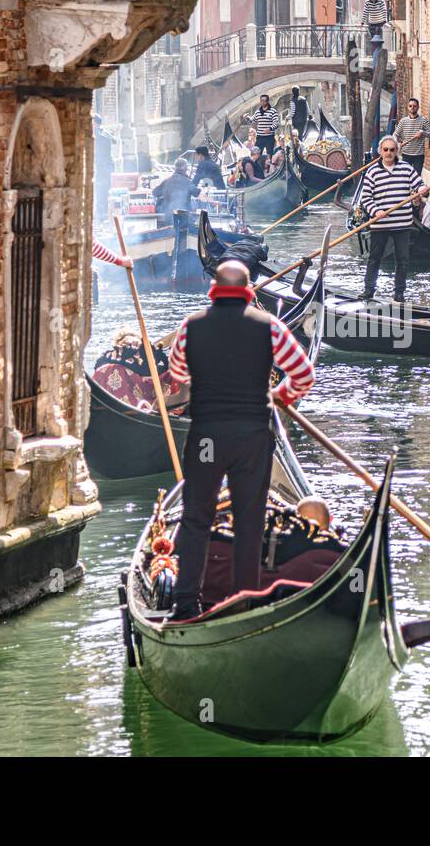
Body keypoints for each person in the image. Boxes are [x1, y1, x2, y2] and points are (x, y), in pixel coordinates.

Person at [165, 260, 316, 621]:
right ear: (249, 290)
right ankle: (245, 602)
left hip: (207, 438)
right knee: (249, 521)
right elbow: (304, 375)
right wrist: (281, 395)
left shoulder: (190, 327)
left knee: (195, 519)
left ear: (213, 289)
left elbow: (176, 372)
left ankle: (186, 604)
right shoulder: (271, 328)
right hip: (252, 435)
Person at [358, 134, 430, 303]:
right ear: (380, 152)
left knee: (402, 260)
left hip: (402, 223)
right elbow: (366, 198)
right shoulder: (372, 172)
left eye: (392, 150)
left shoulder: (406, 168)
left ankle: (399, 293)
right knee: (374, 258)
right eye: (386, 150)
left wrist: (422, 190)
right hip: (380, 224)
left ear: (397, 151)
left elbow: (418, 184)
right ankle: (369, 290)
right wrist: (376, 211)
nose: (389, 153)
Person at [152, 159, 197, 238]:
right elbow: (197, 193)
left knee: (170, 239)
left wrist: (164, 195)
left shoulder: (166, 181)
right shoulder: (187, 181)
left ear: (174, 169)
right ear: (185, 169)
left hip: (169, 218)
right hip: (184, 219)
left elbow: (155, 193)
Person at [393, 97, 430, 175]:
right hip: (406, 155)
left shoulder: (423, 120)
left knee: (417, 178)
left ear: (418, 107)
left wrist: (423, 133)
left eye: (414, 106)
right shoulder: (403, 121)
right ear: (408, 107)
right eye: (410, 106)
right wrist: (398, 144)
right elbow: (395, 135)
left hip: (419, 156)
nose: (412, 108)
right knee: (405, 177)